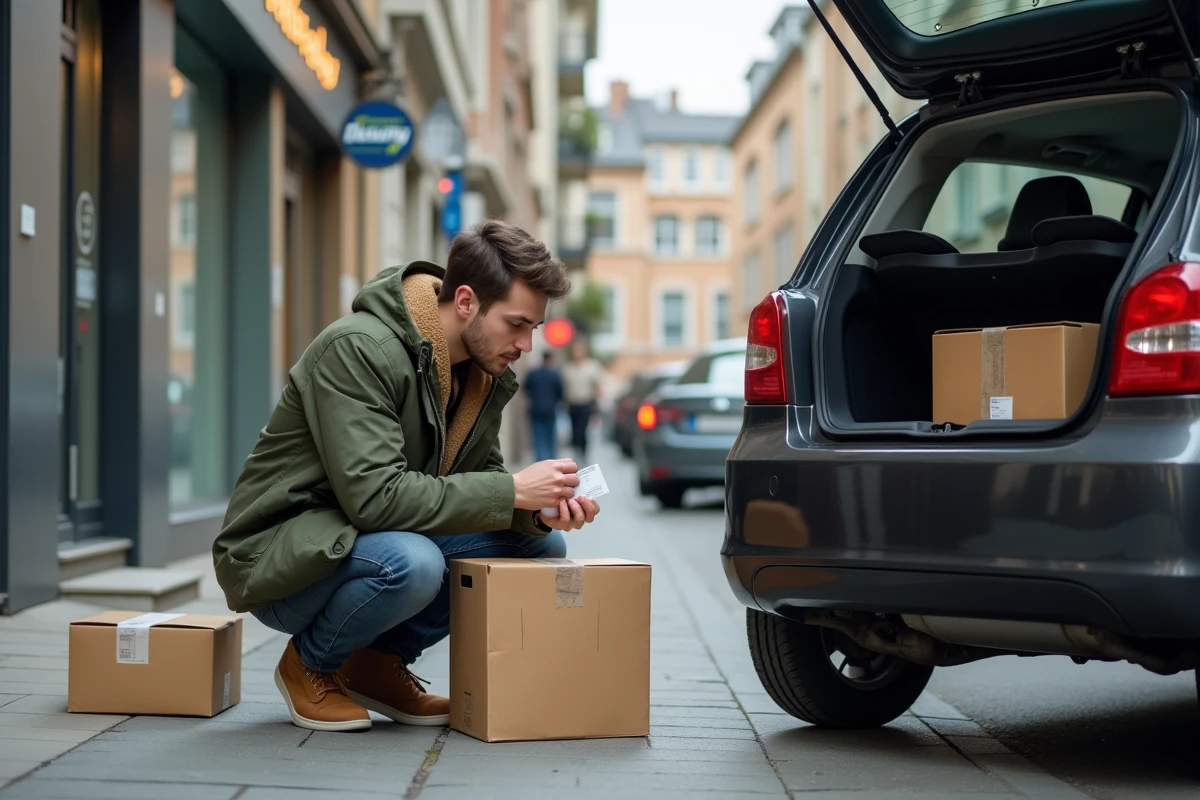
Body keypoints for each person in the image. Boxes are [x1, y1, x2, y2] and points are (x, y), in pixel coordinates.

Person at [212, 220, 601, 733]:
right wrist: (512, 490)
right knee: (414, 563)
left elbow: (480, 481)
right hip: (278, 557)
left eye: (533, 328)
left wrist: (536, 511)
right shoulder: (358, 349)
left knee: (540, 547)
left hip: (361, 539)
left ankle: (375, 665)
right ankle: (309, 664)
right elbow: (375, 499)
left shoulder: (479, 375)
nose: (526, 345)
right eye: (517, 324)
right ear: (466, 301)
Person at [561, 341, 604, 464]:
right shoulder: (568, 368)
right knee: (574, 430)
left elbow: (597, 386)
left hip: (586, 403)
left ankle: (583, 453)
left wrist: (598, 403)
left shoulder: (591, 367)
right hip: (572, 404)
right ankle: (576, 452)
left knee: (582, 430)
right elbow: (564, 387)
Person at [524, 352, 563, 462]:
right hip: (550, 409)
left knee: (538, 436)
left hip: (535, 409)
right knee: (550, 436)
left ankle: (539, 460)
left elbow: (526, 389)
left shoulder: (533, 374)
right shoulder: (554, 375)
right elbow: (560, 393)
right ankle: (552, 459)